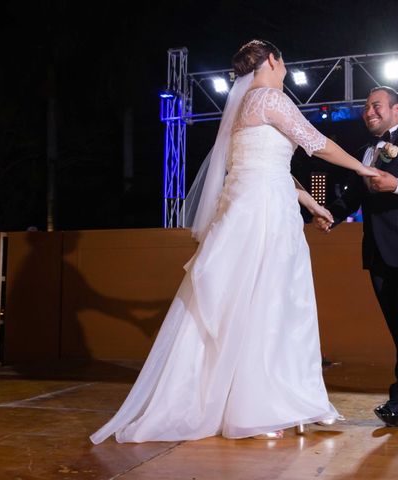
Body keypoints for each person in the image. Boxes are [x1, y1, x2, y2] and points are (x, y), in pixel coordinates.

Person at [90, 39, 377, 443]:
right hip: (264, 214)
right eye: (283, 61)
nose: (285, 68)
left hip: (254, 204)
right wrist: (363, 171)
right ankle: (260, 408)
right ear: (274, 60)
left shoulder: (244, 107)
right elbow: (318, 144)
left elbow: (266, 166)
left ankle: (263, 401)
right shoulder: (271, 99)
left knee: (251, 301)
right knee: (269, 300)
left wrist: (312, 203)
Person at [313, 86, 398, 427]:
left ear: (397, 109)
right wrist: (331, 215)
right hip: (376, 249)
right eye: (365, 108)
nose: (368, 112)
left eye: (376, 106)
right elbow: (353, 196)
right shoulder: (362, 151)